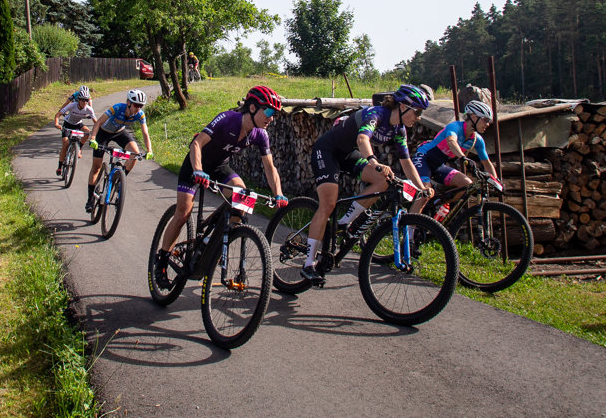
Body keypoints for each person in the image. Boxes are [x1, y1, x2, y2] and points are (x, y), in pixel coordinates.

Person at [153, 86, 290, 289]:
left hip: (219, 168)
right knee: (183, 213)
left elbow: (270, 168)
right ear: (252, 108)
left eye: (274, 114)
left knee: (243, 199)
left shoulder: (260, 134)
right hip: (195, 165)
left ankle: (212, 246)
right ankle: (162, 261)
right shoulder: (228, 119)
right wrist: (198, 170)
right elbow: (197, 144)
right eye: (269, 112)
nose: (271, 118)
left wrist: (278, 194)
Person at [299, 84, 433, 283]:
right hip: (327, 151)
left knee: (383, 180)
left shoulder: (399, 129)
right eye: (418, 112)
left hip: (346, 154)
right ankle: (308, 264)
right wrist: (374, 161)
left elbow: (406, 163)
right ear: (403, 106)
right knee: (328, 204)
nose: (419, 117)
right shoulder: (376, 113)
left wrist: (422, 189)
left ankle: (345, 222)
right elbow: (362, 139)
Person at [408, 100, 500, 214]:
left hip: (438, 165)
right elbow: (451, 141)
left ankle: (438, 205)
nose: (488, 124)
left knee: (466, 184)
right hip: (424, 157)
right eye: (485, 120)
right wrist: (463, 158)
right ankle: (409, 228)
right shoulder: (456, 126)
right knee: (425, 191)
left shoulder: (477, 140)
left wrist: (497, 182)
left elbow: (487, 163)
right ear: (474, 117)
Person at [84, 88, 155, 212]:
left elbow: (145, 132)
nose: (138, 108)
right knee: (96, 167)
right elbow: (98, 123)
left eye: (141, 106)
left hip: (119, 133)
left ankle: (119, 180)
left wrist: (149, 150)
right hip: (103, 133)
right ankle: (90, 199)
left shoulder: (140, 114)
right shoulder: (117, 108)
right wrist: (93, 138)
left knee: (135, 154)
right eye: (136, 105)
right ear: (128, 103)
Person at [53, 86, 96, 176]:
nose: (85, 102)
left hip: (78, 124)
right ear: (78, 100)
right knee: (65, 144)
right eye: (83, 100)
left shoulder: (89, 108)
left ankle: (79, 148)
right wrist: (57, 124)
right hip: (68, 124)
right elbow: (58, 114)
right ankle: (60, 167)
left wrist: (98, 131)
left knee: (87, 132)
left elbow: (96, 122)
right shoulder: (72, 105)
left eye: (86, 100)